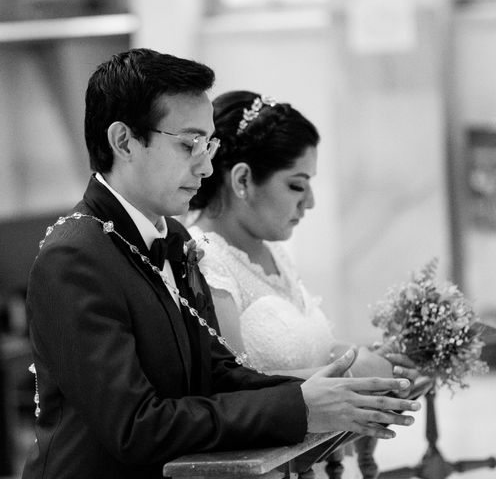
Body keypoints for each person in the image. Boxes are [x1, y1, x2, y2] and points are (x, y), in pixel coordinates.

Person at [22, 49, 421, 479]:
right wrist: (301, 408)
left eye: (209, 143)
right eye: (189, 144)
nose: (207, 164)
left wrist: (333, 391)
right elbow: (137, 426)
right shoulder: (74, 257)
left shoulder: (173, 238)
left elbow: (218, 372)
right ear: (123, 142)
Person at [187, 90, 421, 476]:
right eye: (297, 185)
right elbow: (232, 387)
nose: (309, 202)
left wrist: (372, 361)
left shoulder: (274, 251)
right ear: (243, 180)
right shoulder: (206, 260)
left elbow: (310, 352)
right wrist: (355, 374)